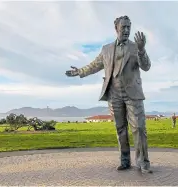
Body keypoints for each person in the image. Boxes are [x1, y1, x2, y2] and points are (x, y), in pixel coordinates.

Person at [65, 16, 152, 173]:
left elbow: (146, 66)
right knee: (120, 129)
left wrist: (141, 49)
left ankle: (143, 162)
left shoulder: (135, 47)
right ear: (116, 28)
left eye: (128, 27)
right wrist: (80, 72)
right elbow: (95, 65)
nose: (126, 30)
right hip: (114, 94)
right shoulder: (106, 49)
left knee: (139, 128)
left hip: (133, 94)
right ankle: (125, 160)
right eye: (123, 27)